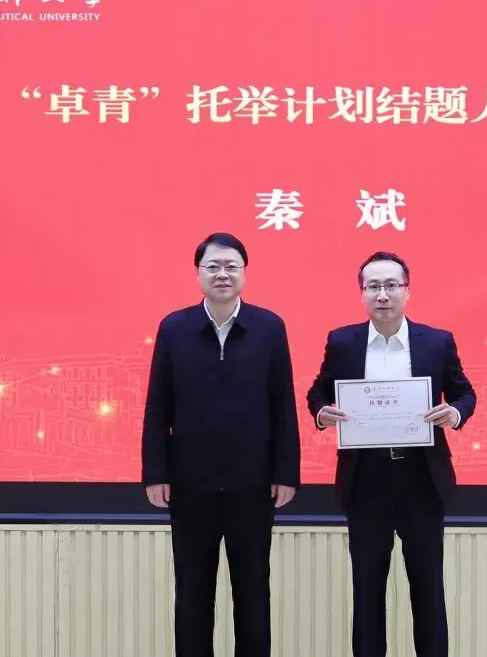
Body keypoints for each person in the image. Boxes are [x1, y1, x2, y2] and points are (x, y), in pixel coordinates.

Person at [306, 251, 476, 657]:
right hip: (366, 480)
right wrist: (321, 413)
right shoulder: (342, 342)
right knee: (367, 590)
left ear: (407, 291)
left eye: (391, 285)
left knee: (428, 588)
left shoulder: (436, 341)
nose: (382, 295)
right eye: (373, 286)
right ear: (362, 293)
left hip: (421, 480)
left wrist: (454, 413)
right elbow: (318, 391)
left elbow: (465, 393)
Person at [141, 232, 300, 657]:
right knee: (193, 591)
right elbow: (158, 404)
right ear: (198, 274)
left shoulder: (269, 327)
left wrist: (285, 472)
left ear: (244, 272)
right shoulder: (175, 328)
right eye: (213, 266)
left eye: (231, 266)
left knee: (253, 591)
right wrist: (156, 472)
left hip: (253, 484)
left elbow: (283, 403)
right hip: (190, 484)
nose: (222, 274)